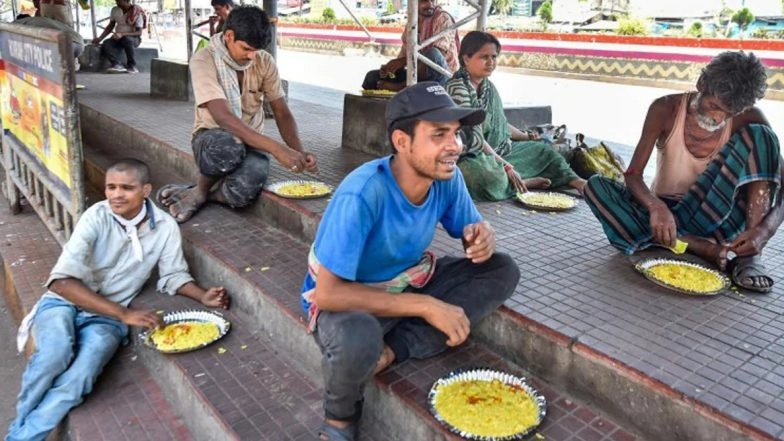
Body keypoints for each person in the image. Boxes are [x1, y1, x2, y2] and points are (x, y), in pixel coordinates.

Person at [300, 82, 520, 440]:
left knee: (502, 270)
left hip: (407, 279)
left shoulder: (446, 176)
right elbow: (328, 294)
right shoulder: (362, 192)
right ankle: (338, 422)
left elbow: (470, 231)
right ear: (402, 142)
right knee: (357, 338)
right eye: (439, 135)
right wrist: (427, 305)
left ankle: (393, 349)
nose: (454, 146)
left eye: (456, 134)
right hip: (348, 296)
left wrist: (482, 238)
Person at [4, 159, 230, 441]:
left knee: (80, 378)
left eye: (127, 188)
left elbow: (174, 275)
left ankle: (23, 436)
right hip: (65, 303)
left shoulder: (165, 226)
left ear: (146, 190)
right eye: (111, 187)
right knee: (54, 353)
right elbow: (61, 282)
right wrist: (123, 314)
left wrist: (202, 295)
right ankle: (17, 434)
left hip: (107, 320)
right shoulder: (95, 216)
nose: (116, 195)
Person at [584, 51, 783, 293]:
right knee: (596, 187)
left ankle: (749, 258)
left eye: (729, 113)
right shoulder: (664, 109)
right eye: (714, 106)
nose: (718, 117)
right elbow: (633, 174)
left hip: (715, 216)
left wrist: (764, 231)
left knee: (763, 136)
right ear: (701, 84)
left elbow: (777, 177)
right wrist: (656, 207)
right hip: (664, 218)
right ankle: (699, 247)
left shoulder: (748, 118)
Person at [157, 6, 318, 223]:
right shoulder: (204, 60)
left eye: (256, 50)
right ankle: (199, 191)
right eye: (246, 48)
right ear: (229, 36)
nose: (252, 56)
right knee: (229, 145)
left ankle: (209, 195)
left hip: (253, 143)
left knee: (247, 188)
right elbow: (224, 118)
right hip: (213, 138)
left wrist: (298, 152)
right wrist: (277, 149)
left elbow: (281, 111)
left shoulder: (263, 61)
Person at [445, 31, 585, 201]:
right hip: (472, 156)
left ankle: (577, 182)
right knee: (484, 178)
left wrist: (526, 137)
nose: (491, 63)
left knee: (544, 151)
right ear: (466, 58)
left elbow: (500, 124)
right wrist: (507, 167)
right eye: (484, 57)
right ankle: (521, 183)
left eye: (494, 57)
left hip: (500, 152)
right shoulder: (457, 88)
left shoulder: (489, 88)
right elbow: (475, 138)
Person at [361, 0, 458, 91]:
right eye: (424, 0)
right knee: (372, 77)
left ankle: (402, 87)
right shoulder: (411, 24)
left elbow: (436, 58)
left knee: (433, 54)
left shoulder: (443, 18)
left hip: (443, 77)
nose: (430, 5)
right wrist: (390, 68)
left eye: (432, 0)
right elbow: (403, 57)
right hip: (417, 75)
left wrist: (402, 61)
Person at [92, 0, 145, 74]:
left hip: (133, 38)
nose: (117, 3)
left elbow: (139, 32)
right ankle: (116, 64)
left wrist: (122, 34)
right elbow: (110, 26)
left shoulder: (137, 12)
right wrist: (100, 38)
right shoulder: (115, 10)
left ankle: (132, 65)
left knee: (127, 40)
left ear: (127, 1)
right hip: (118, 38)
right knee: (106, 43)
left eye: (119, 1)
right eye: (116, 1)